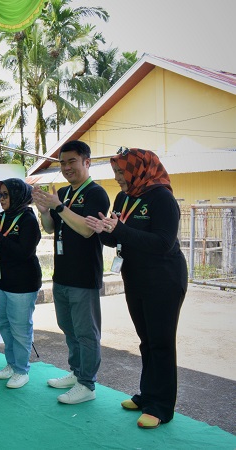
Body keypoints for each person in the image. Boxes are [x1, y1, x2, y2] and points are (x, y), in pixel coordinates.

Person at [84, 147, 187, 429]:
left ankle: (162, 407)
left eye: (121, 172)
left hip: (164, 279)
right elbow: (116, 237)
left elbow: (163, 242)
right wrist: (102, 229)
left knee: (161, 342)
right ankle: (147, 395)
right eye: (115, 172)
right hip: (136, 276)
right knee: (146, 339)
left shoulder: (162, 198)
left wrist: (118, 230)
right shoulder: (124, 197)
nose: (117, 178)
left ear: (139, 170)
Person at [32, 140, 110, 404]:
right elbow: (51, 228)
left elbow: (87, 229)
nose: (66, 167)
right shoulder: (63, 192)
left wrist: (59, 207)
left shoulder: (96, 193)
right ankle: (77, 374)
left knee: (86, 332)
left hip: (84, 275)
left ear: (87, 162)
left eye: (72, 161)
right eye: (62, 163)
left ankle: (87, 385)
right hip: (62, 273)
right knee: (68, 327)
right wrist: (45, 211)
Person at [0, 178, 42, 389]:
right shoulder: (0, 217)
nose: (1, 199)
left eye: (5, 194)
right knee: (5, 325)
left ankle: (21, 370)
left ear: (18, 195)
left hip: (23, 283)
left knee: (20, 328)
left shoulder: (27, 220)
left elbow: (23, 253)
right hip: (1, 281)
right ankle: (11, 363)